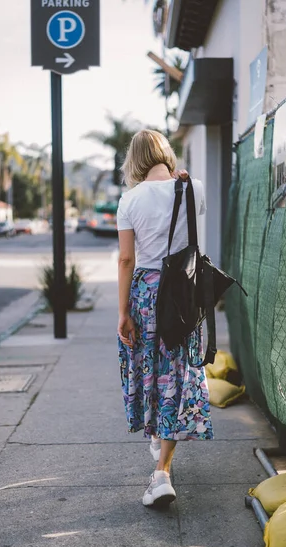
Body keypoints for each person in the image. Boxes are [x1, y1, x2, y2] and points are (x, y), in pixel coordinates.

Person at [117, 129, 213, 509]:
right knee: (177, 374)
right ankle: (163, 467)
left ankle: (160, 472)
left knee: (148, 368)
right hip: (184, 293)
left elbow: (126, 259)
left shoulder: (130, 199)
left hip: (145, 294)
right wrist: (181, 182)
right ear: (166, 156)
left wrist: (123, 311)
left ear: (135, 162)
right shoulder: (195, 188)